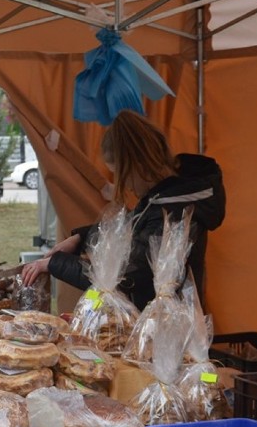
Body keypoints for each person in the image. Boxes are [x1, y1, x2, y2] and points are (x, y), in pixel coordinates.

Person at [22, 109, 226, 310]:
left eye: (120, 173)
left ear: (137, 165)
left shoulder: (172, 210)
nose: (123, 184)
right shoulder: (160, 197)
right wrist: (81, 239)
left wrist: (55, 264)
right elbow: (131, 228)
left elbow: (125, 277)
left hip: (167, 329)